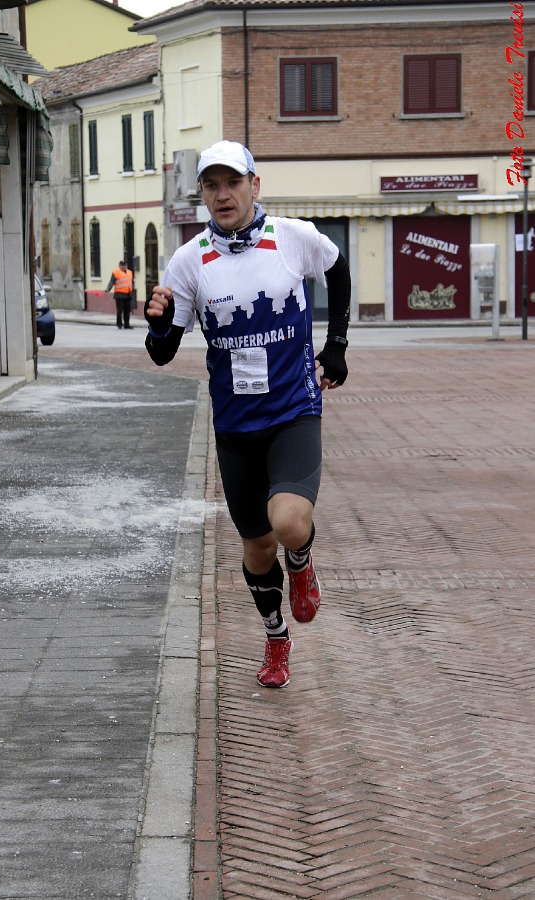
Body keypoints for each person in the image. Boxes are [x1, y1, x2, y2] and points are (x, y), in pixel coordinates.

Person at [144, 140, 350, 688]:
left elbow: (337, 268)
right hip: (235, 425)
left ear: (254, 185)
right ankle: (276, 637)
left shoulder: (292, 237)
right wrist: (158, 324)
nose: (223, 195)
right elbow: (163, 352)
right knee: (257, 547)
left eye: (233, 183)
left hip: (293, 410)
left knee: (288, 523)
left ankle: (301, 562)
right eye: (212, 185)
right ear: (203, 194)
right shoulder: (189, 260)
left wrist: (336, 345)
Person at [107, 260, 134, 329]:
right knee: (120, 310)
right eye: (122, 266)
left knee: (127, 310)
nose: (123, 267)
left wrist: (132, 289)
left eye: (124, 265)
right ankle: (119, 324)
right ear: (119, 266)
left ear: (126, 266)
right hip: (119, 294)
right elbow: (112, 282)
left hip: (128, 294)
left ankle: (127, 324)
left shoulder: (130, 272)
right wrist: (108, 288)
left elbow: (131, 281)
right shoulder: (116, 273)